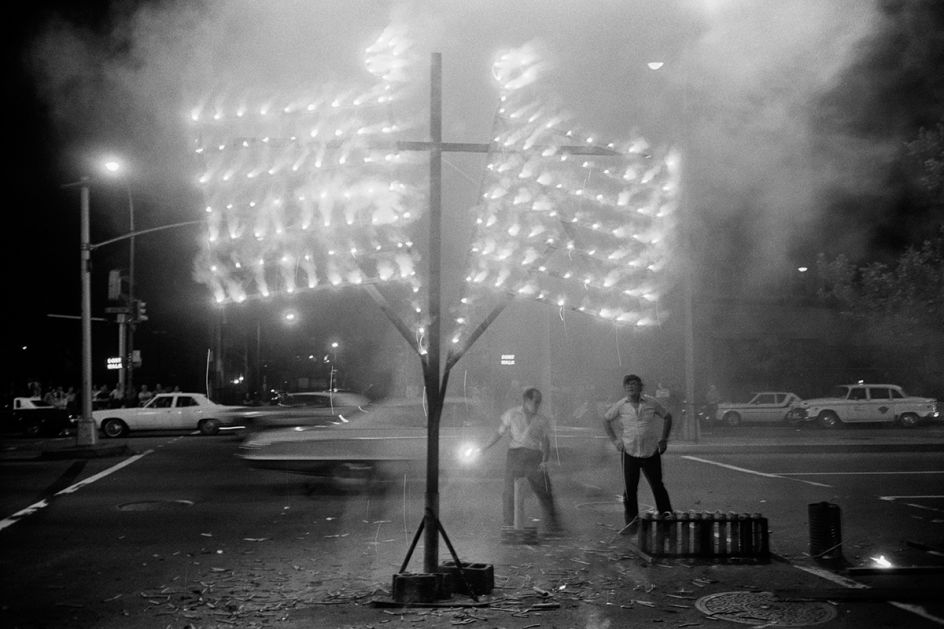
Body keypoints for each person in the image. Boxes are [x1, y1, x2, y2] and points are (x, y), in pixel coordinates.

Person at [480, 387, 564, 535]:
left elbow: (545, 441)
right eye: (535, 401)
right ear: (526, 400)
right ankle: (509, 524)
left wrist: (544, 460)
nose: (537, 405)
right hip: (515, 455)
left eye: (539, 402)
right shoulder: (512, 414)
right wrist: (485, 447)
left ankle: (553, 526)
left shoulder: (541, 420)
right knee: (509, 491)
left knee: (544, 489)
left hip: (534, 456)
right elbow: (499, 433)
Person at [602, 374, 673, 535]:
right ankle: (632, 524)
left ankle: (668, 521)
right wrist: (615, 441)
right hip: (629, 452)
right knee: (630, 490)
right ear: (624, 388)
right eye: (627, 385)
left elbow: (667, 416)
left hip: (650, 452)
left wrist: (664, 440)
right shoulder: (621, 405)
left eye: (634, 384)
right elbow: (606, 419)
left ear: (641, 387)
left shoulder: (651, 402)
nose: (630, 387)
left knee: (658, 486)